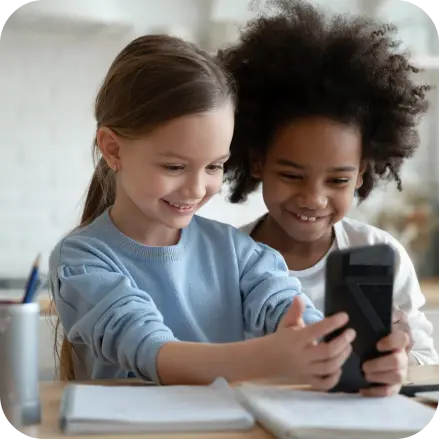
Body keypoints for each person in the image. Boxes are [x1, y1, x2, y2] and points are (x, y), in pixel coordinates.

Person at [48, 33, 363, 390]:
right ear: (113, 149)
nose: (197, 189)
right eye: (174, 167)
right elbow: (152, 352)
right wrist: (271, 357)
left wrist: (346, 354)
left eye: (214, 167)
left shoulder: (238, 252)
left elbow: (288, 310)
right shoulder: (82, 259)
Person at [221, 0, 438, 368]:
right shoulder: (222, 259)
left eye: (337, 180)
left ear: (361, 173)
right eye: (292, 175)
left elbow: (425, 362)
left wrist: (399, 357)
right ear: (257, 161)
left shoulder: (379, 254)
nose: (313, 199)